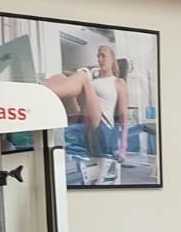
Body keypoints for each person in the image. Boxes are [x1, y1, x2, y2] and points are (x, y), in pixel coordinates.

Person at [44, 43, 130, 183]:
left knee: (83, 76)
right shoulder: (94, 82)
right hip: (85, 123)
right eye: (98, 56)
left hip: (102, 127)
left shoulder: (118, 82)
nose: (100, 59)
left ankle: (41, 92)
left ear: (112, 59)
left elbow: (123, 116)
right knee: (61, 77)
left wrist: (123, 148)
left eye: (103, 56)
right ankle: (36, 88)